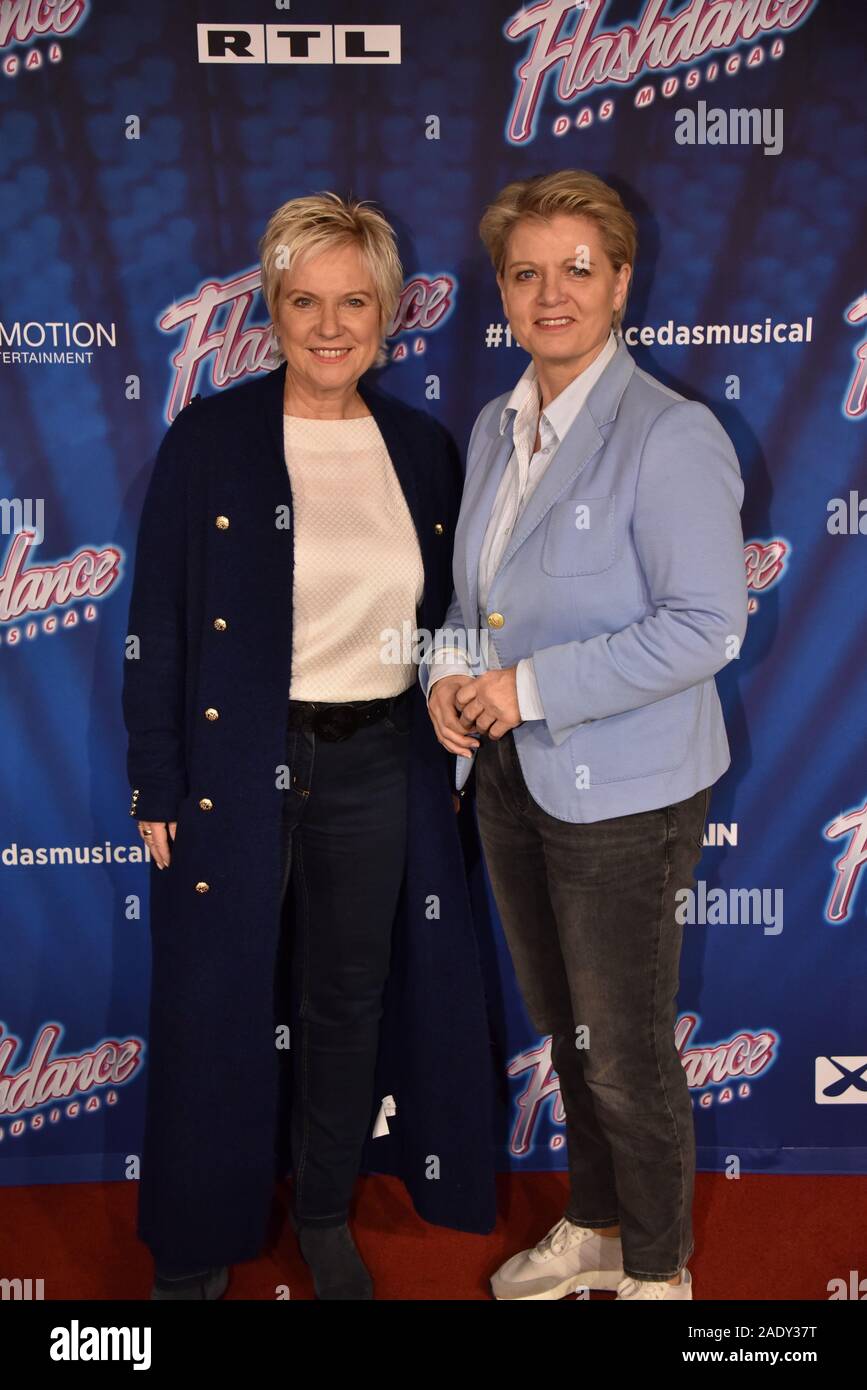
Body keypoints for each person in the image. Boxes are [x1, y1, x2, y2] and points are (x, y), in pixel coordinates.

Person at [123, 191, 495, 1301]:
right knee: (213, 994)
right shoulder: (210, 440)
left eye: (354, 302)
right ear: (271, 309)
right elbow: (160, 627)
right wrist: (157, 780)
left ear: (388, 313)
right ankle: (194, 1241)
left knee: (348, 1000)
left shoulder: (423, 451)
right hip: (237, 767)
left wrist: (460, 728)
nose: (330, 326)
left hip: (380, 762)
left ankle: (325, 1211)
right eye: (304, 301)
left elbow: (453, 619)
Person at [422, 170, 748, 1301]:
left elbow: (708, 627)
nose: (549, 293)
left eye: (576, 269)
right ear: (503, 292)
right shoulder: (494, 426)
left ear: (619, 284)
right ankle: (599, 1225)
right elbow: (475, 598)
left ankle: (659, 1272)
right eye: (526, 272)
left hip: (627, 790)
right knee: (573, 1041)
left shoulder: (670, 433)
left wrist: (528, 686)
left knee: (624, 1053)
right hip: (514, 777)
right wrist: (452, 679)